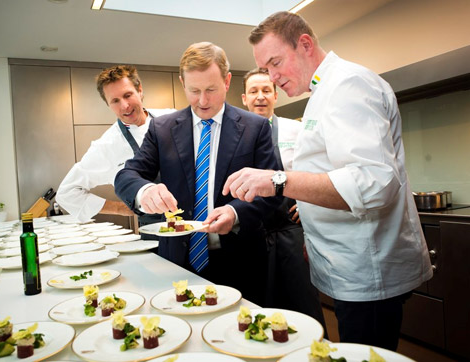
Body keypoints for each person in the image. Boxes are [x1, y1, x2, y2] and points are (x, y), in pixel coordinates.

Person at [224, 12, 433, 350]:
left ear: (304, 44)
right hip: (345, 261)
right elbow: (332, 172)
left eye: (275, 63)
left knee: (367, 353)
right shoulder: (323, 92)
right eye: (266, 69)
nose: (273, 78)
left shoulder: (348, 84)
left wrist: (278, 180)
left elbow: (373, 182)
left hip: (367, 268)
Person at [114, 42, 280, 305]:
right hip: (177, 263)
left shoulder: (255, 127)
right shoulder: (162, 129)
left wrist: (236, 212)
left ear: (227, 81)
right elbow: (127, 175)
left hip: (240, 259)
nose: (202, 101)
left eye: (211, 90)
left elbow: (273, 190)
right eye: (194, 91)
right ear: (182, 83)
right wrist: (145, 190)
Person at [241, 68, 326, 329]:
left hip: (291, 227)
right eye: (254, 91)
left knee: (303, 301)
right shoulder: (238, 135)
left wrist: (307, 202)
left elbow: (317, 169)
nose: (260, 97)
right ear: (244, 98)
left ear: (276, 96)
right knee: (260, 304)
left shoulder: (296, 129)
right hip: (254, 230)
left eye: (266, 90)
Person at [56, 65, 174, 228]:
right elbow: (66, 193)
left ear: (139, 90)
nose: (124, 105)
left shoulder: (171, 118)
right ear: (108, 104)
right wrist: (121, 208)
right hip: (157, 232)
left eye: (128, 95)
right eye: (115, 101)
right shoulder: (106, 146)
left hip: (196, 220)